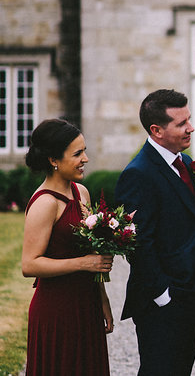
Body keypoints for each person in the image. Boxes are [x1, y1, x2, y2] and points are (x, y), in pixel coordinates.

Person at [115, 89, 195, 376]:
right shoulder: (139, 174)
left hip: (192, 296)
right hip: (162, 304)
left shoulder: (186, 163)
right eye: (181, 123)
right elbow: (138, 242)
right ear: (156, 130)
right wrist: (163, 294)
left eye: (189, 119)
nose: (191, 128)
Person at [22, 119, 113, 376]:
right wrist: (83, 263)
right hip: (57, 311)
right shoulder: (44, 203)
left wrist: (102, 300)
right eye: (77, 154)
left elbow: (92, 250)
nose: (85, 158)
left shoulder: (81, 192)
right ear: (53, 160)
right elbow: (29, 265)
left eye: (84, 150)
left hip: (86, 304)